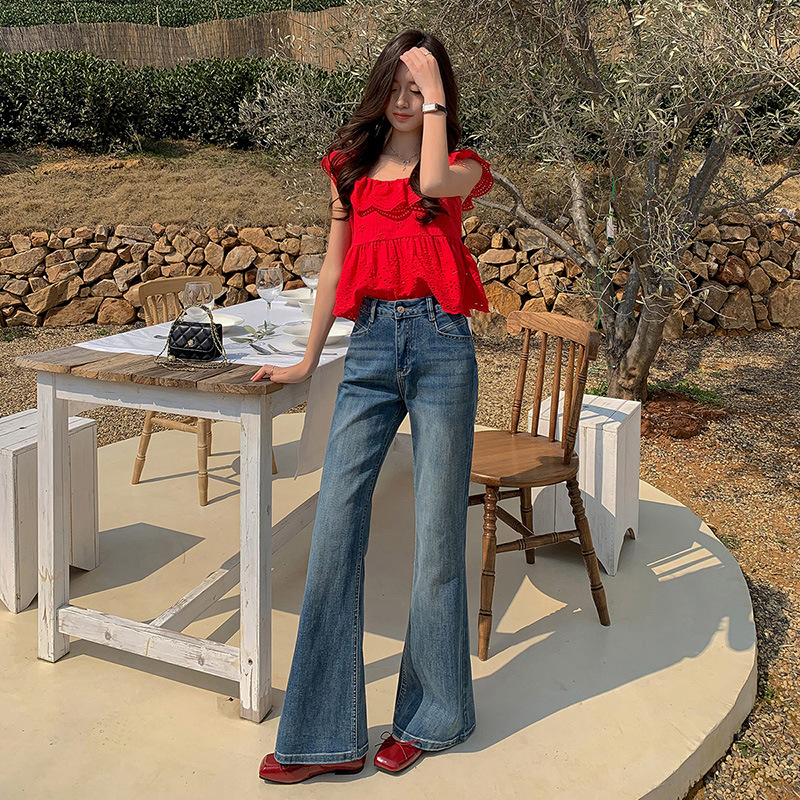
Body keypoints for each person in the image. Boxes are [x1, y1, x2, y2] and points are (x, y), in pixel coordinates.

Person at [252, 27, 494, 784]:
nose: (405, 99)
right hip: (368, 351)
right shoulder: (348, 169)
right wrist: (305, 360)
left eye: (419, 88)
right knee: (333, 531)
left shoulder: (460, 167)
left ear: (440, 95)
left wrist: (437, 97)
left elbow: (431, 181)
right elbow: (333, 271)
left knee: (436, 542)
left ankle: (435, 717)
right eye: (396, 84)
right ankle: (326, 735)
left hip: (442, 350)